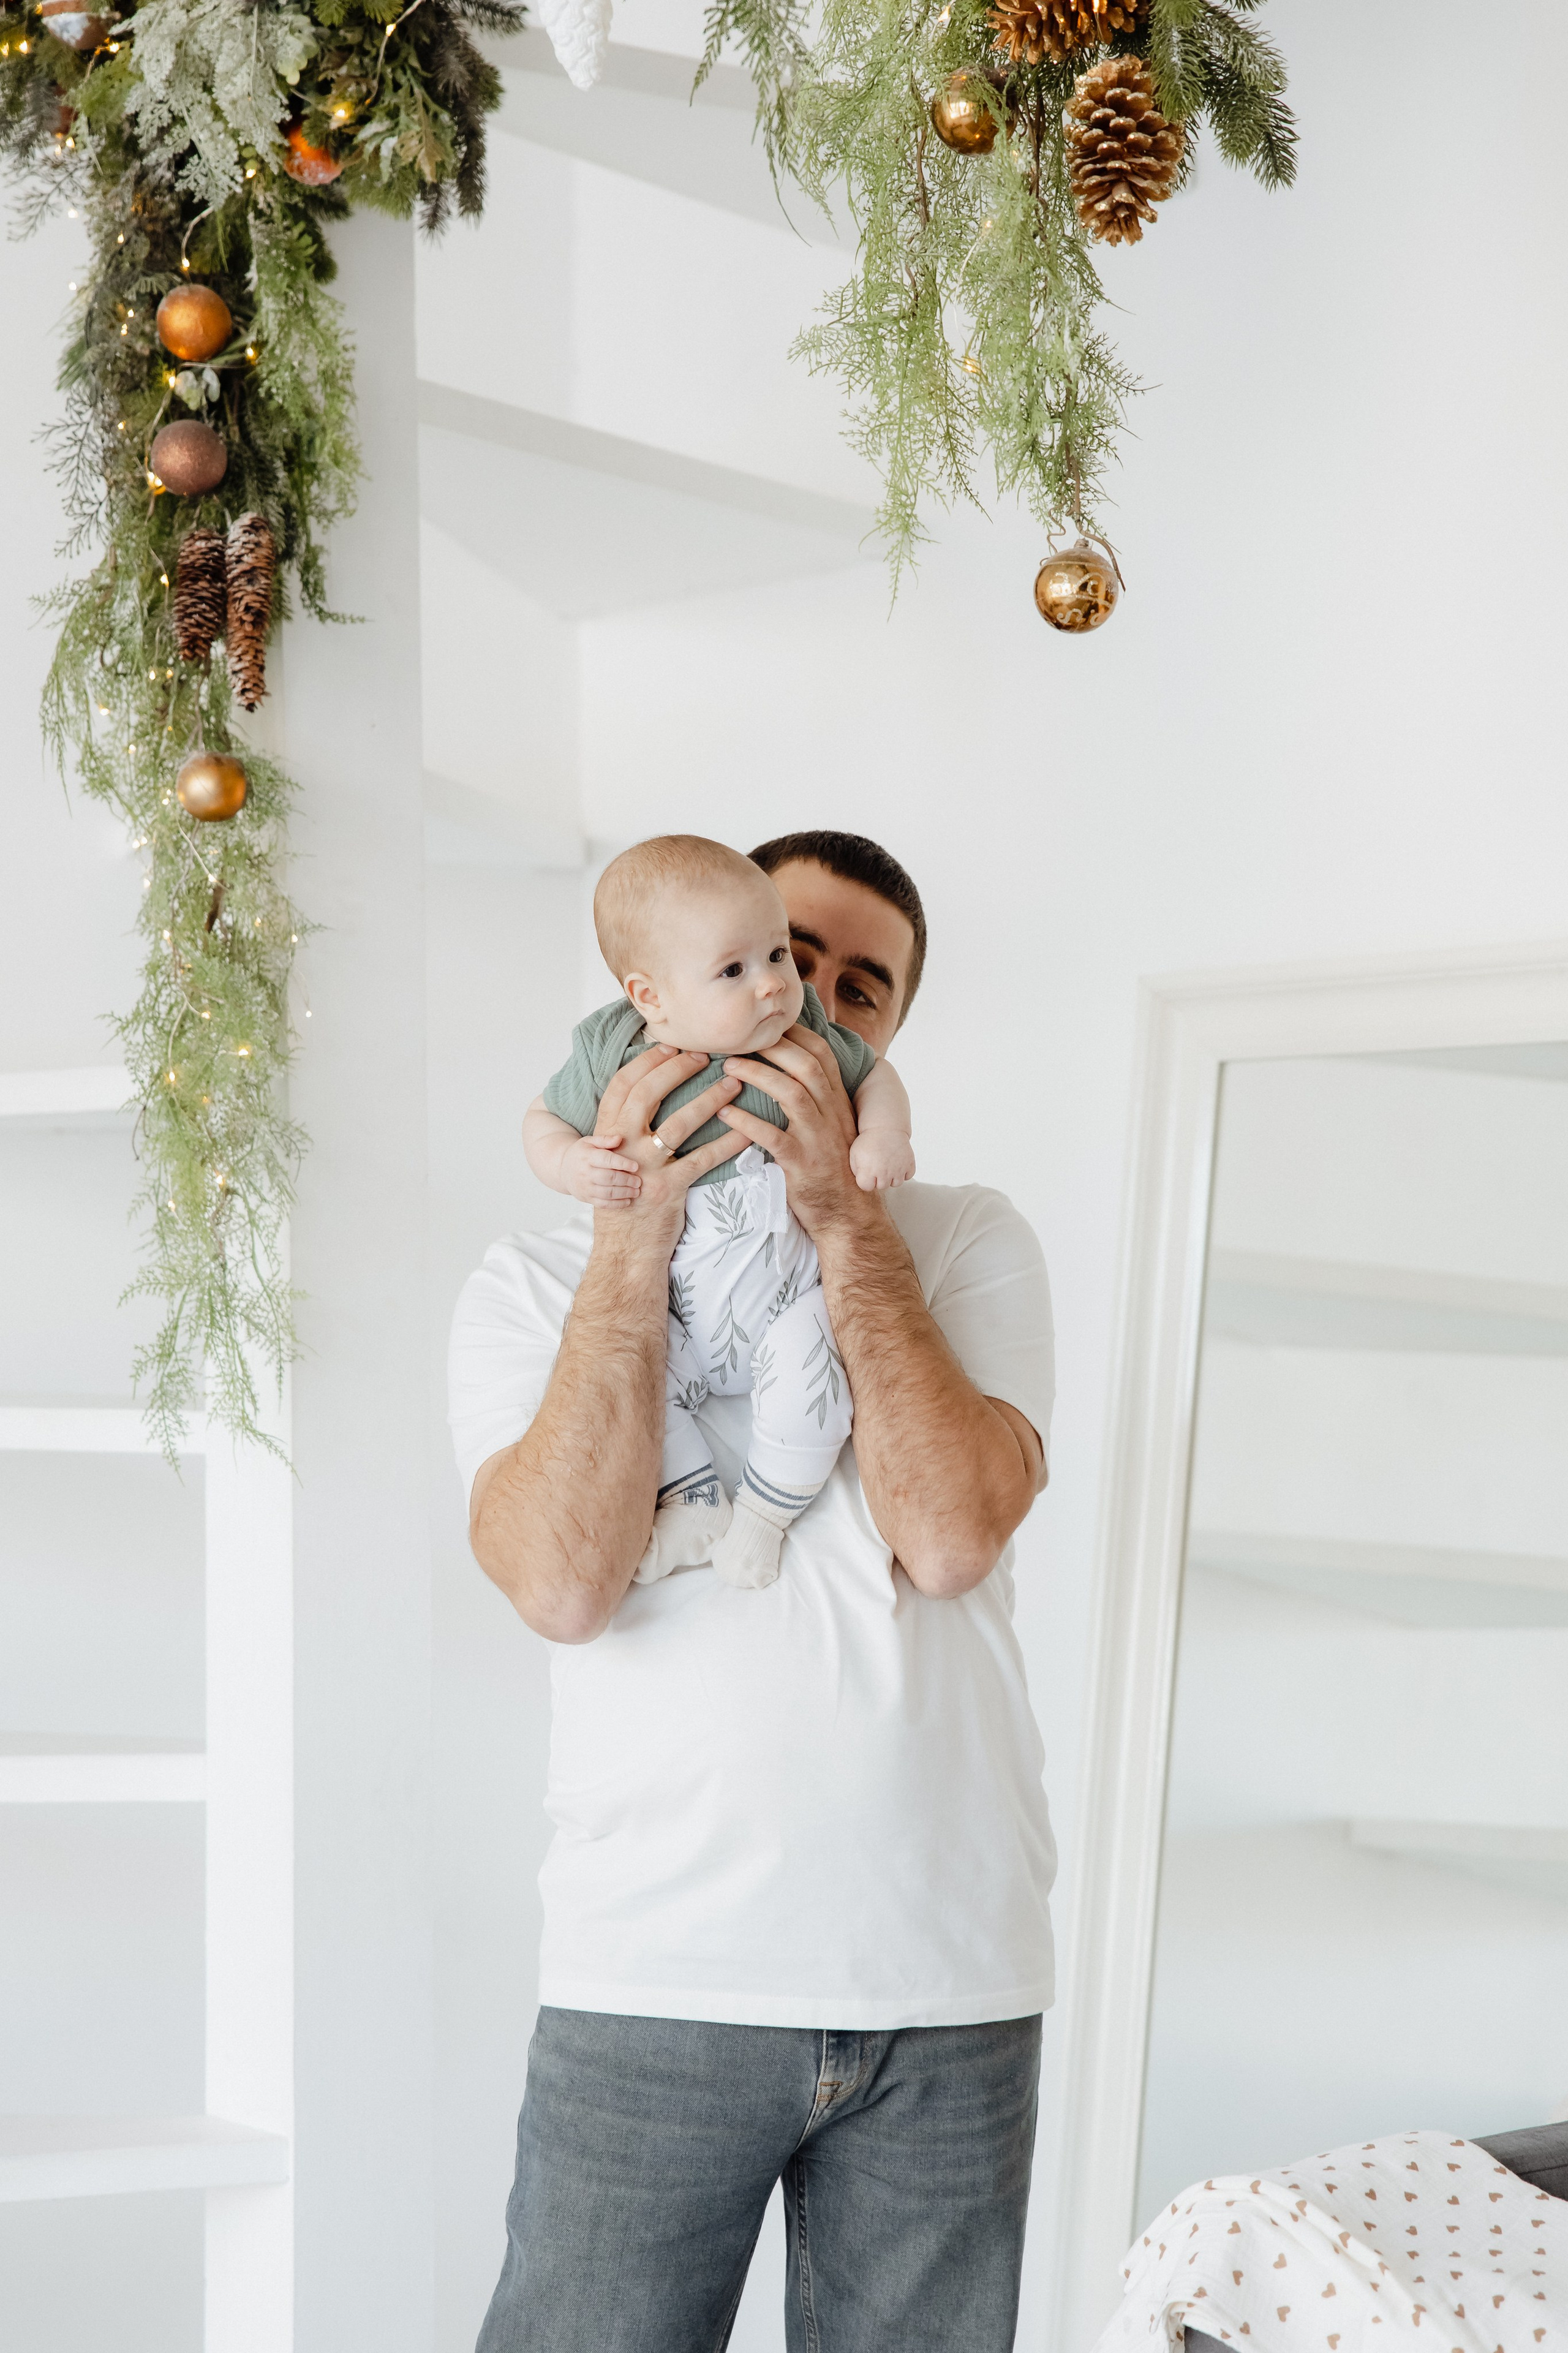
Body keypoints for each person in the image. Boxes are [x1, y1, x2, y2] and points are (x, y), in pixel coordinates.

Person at [448, 829, 1056, 2353]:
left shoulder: (963, 1236)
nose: (805, 995)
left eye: (860, 987)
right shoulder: (529, 1280)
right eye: (783, 948)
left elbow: (951, 1537)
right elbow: (560, 1581)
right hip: (654, 1972)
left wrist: (846, 1222)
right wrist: (634, 1232)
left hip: (945, 1980)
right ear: (672, 988)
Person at [520, 834, 915, 1590]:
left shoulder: (811, 1040)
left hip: (792, 1297)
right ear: (649, 996)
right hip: (674, 1309)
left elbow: (878, 1079)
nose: (775, 987)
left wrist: (883, 1136)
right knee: (644, 1368)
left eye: (775, 958)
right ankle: (695, 1505)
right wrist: (572, 1164)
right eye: (735, 969)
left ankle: (763, 1519)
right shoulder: (611, 1051)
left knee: (812, 1366)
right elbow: (542, 1119)